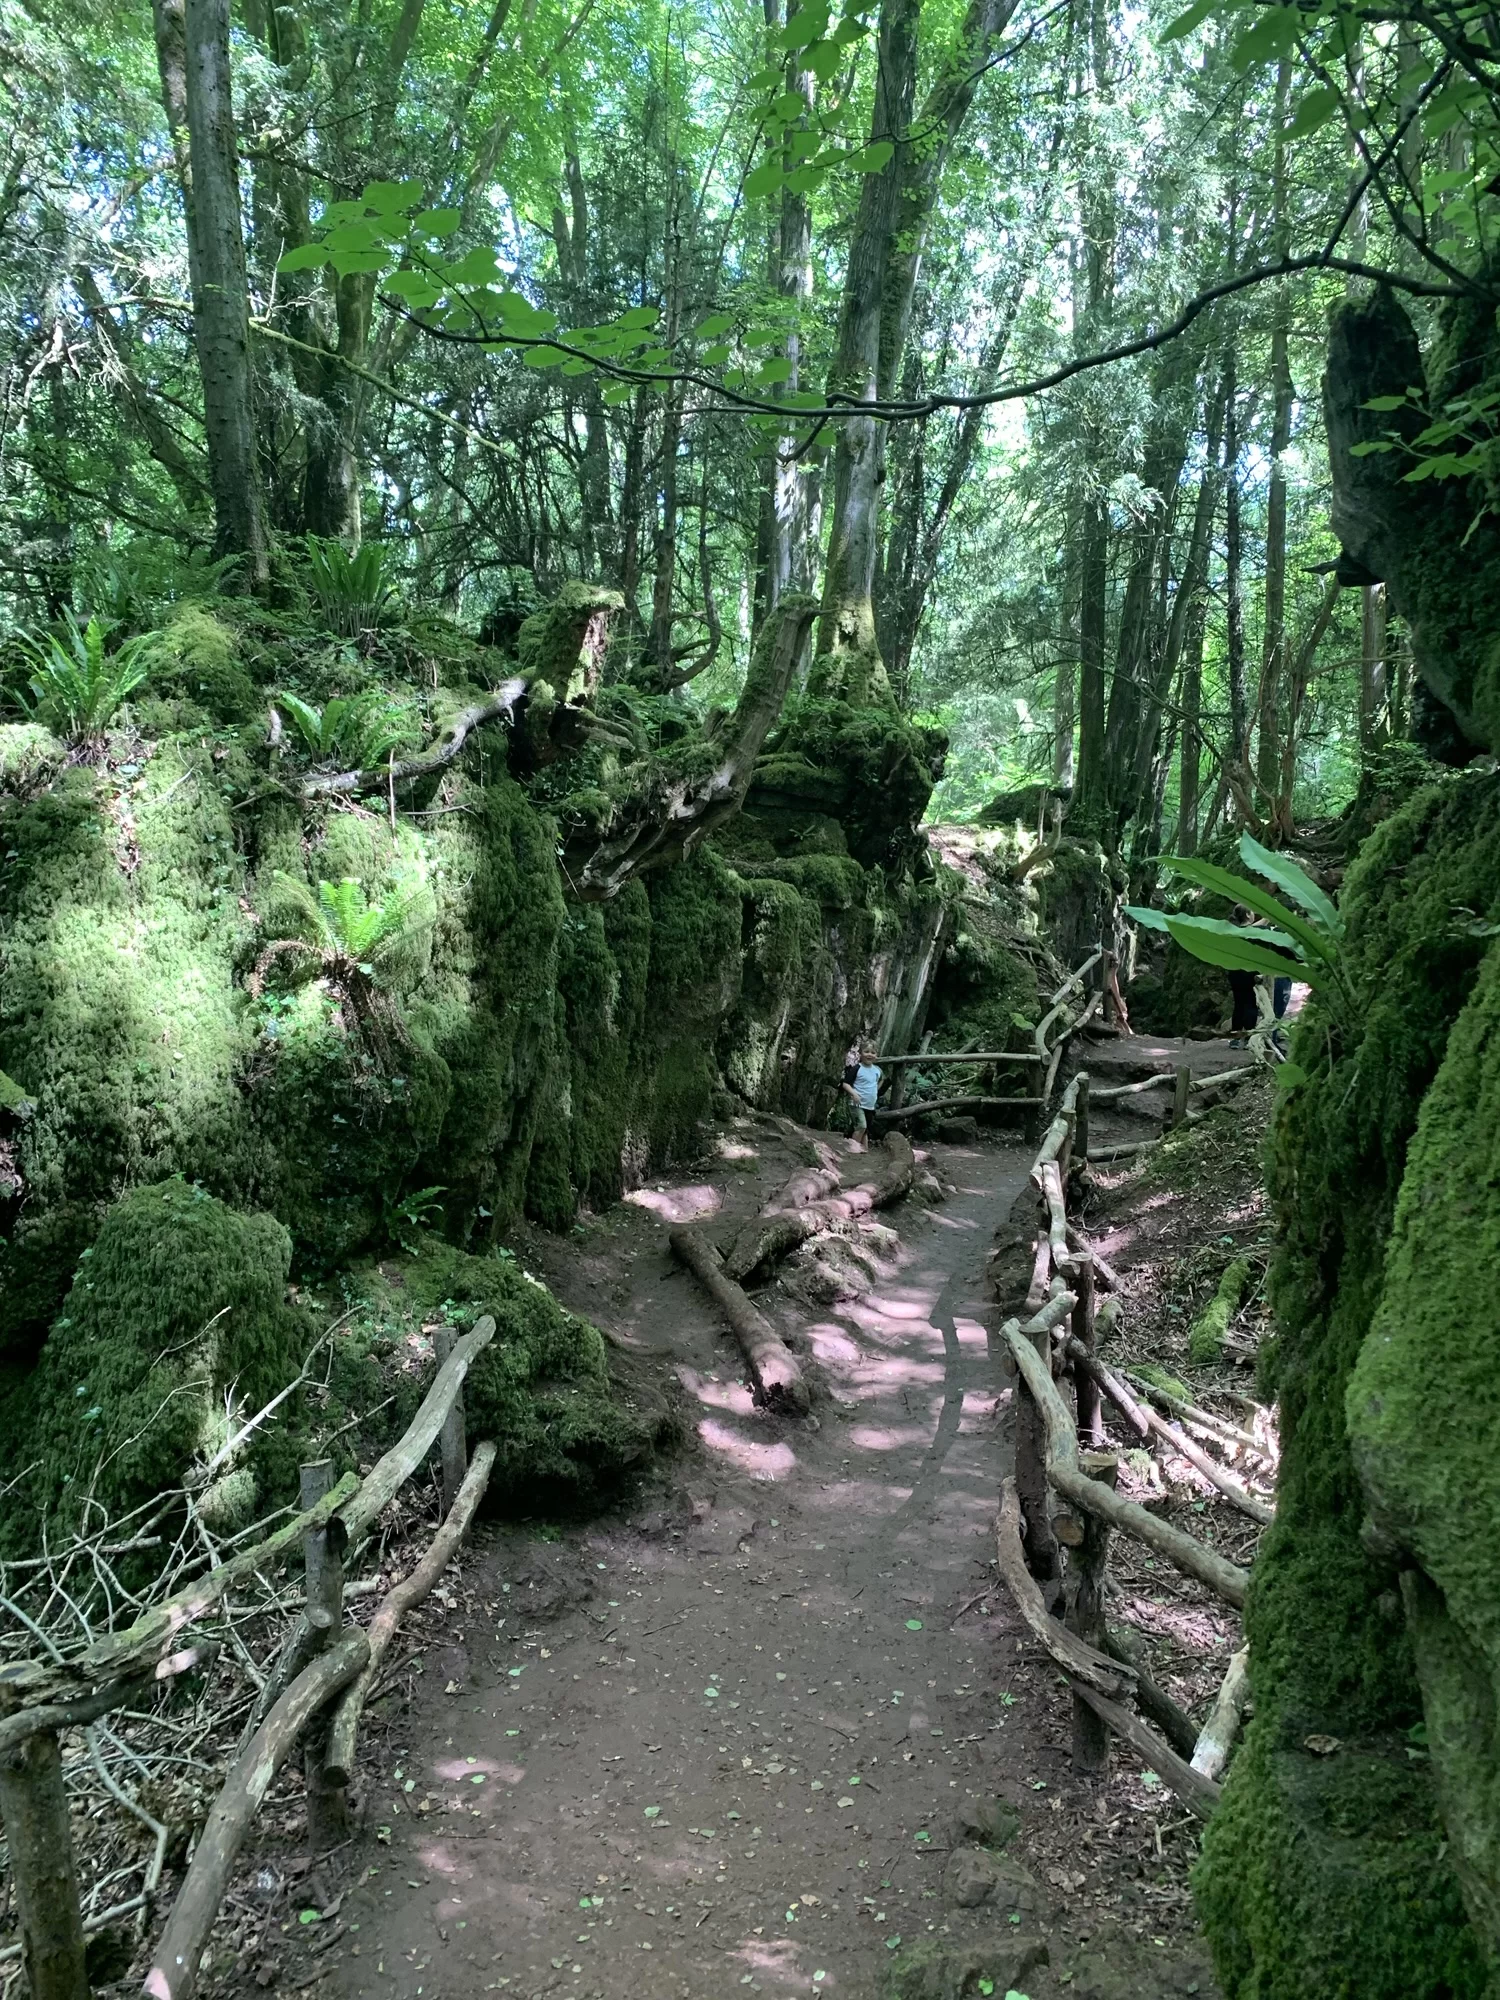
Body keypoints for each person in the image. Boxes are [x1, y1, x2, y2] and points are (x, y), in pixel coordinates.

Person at [1225, 906, 1259, 1048]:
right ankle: (1248, 1039)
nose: (1254, 915)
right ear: (1247, 914)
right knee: (1251, 1003)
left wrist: (1265, 920)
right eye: (1252, 912)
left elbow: (1250, 928)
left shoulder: (1234, 932)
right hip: (1249, 972)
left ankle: (1235, 1038)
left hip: (1234, 972)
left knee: (1239, 1003)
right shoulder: (1254, 934)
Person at [841, 1045, 883, 1147]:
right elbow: (845, 1084)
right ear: (861, 1053)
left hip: (870, 1105)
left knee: (865, 1129)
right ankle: (853, 1149)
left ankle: (864, 1150)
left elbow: (882, 1079)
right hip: (857, 1104)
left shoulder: (877, 1070)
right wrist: (854, 1094)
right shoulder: (857, 1068)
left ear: (876, 1055)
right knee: (861, 1127)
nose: (870, 1054)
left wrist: (875, 1090)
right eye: (866, 1051)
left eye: (873, 1052)